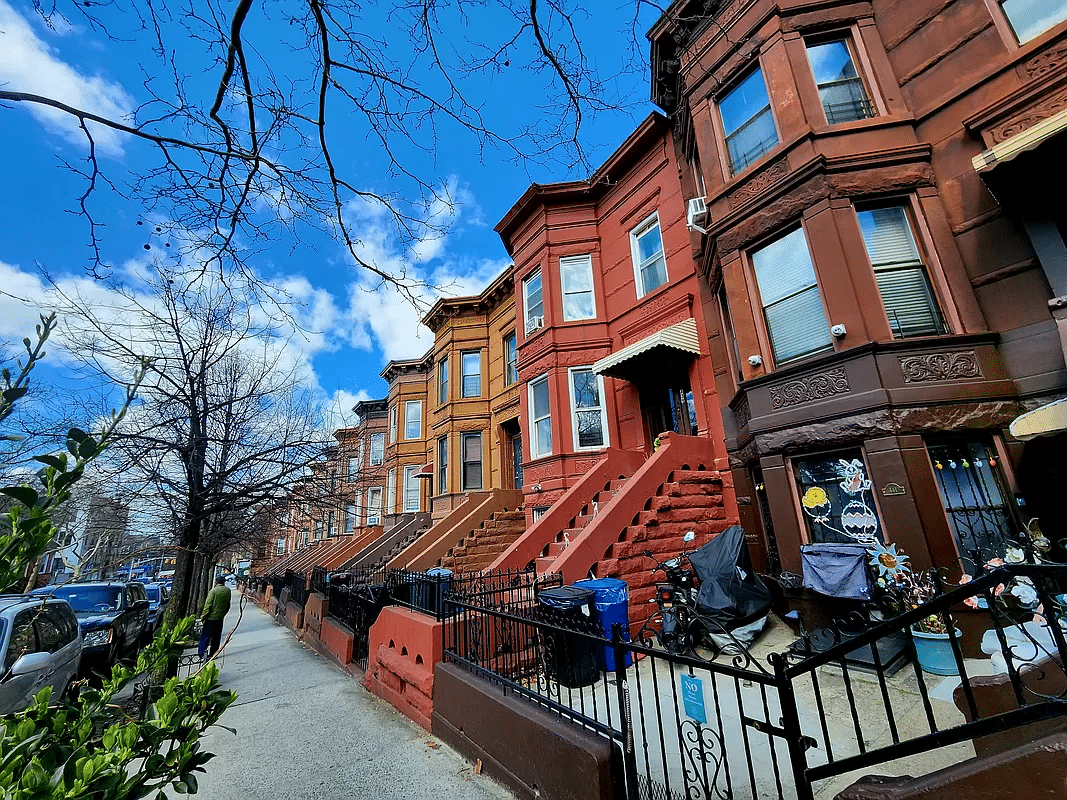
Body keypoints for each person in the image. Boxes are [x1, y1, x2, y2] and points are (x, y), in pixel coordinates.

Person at [198, 574, 232, 661]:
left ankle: (202, 654)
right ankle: (213, 653)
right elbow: (228, 605)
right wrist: (223, 614)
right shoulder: (228, 591)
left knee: (205, 636)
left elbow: (208, 605)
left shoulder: (213, 591)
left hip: (210, 618)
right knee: (216, 637)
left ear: (216, 582)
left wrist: (203, 617)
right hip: (220, 618)